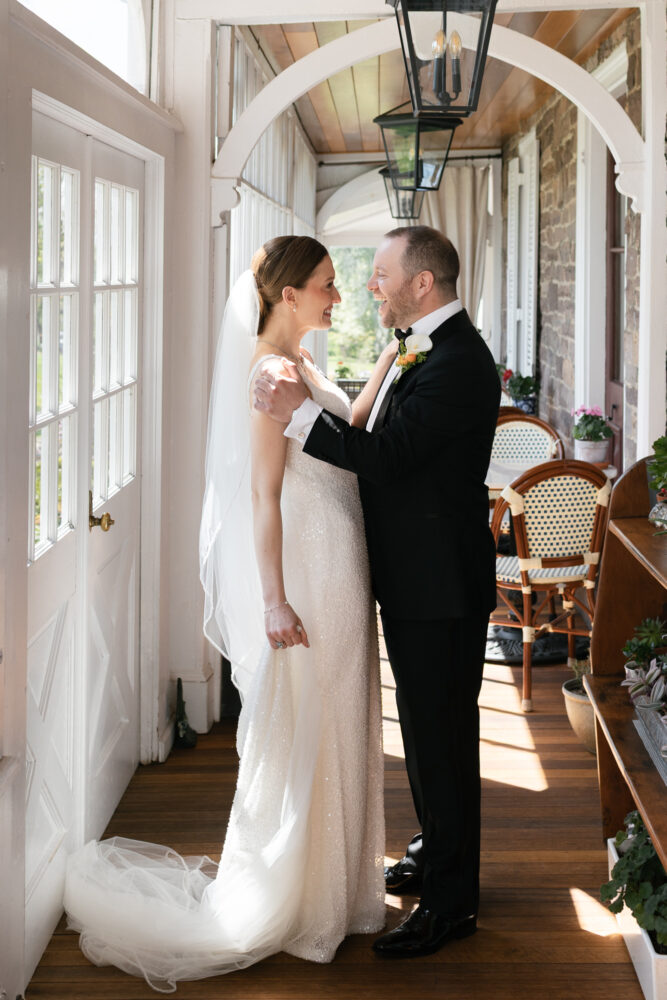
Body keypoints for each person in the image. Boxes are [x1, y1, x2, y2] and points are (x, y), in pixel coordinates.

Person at [63, 236, 388, 992]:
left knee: (339, 713)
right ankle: (299, 903)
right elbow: (261, 496)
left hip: (339, 558)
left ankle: (337, 895)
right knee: (305, 717)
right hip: (306, 567)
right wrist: (273, 598)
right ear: (287, 296)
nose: (336, 298)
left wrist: (387, 363)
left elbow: (346, 432)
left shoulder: (301, 363)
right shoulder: (269, 373)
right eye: (326, 286)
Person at [253, 225, 500, 959]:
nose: (370, 286)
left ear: (421, 284)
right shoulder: (422, 346)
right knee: (427, 736)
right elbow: (383, 432)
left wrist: (295, 414)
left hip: (439, 586)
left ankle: (451, 905)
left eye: (381, 273)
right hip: (418, 579)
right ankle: (435, 848)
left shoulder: (457, 362)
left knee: (444, 741)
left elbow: (387, 458)